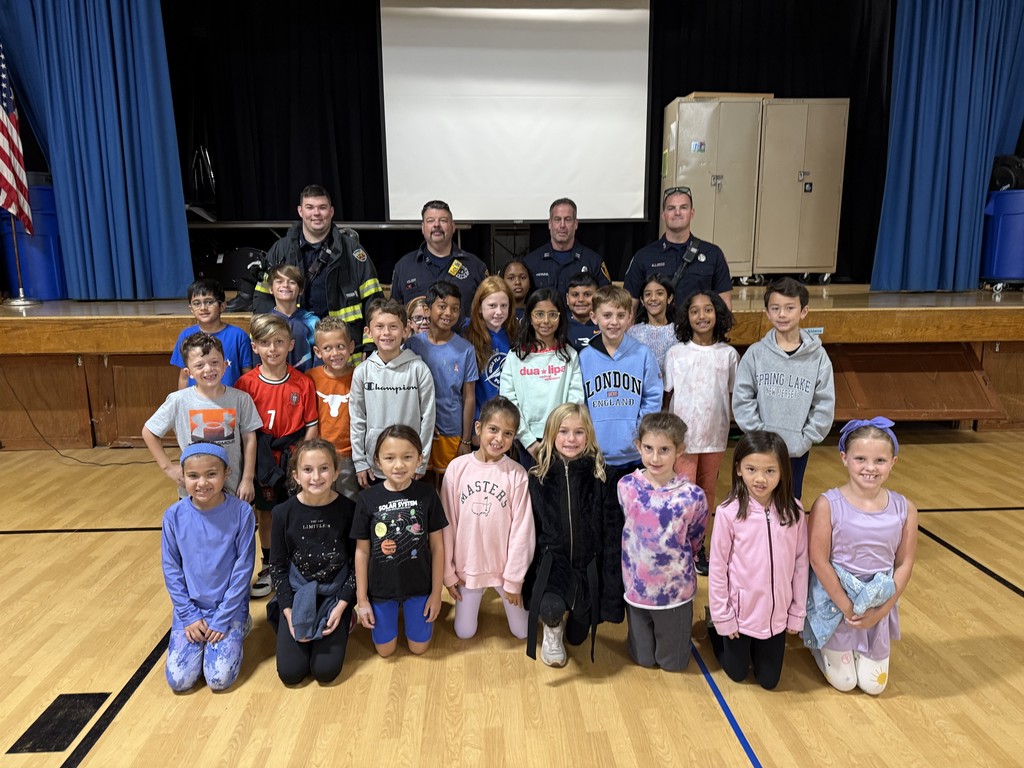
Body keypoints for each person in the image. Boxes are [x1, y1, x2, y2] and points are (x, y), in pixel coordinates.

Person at [804, 417, 918, 696]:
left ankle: (860, 646)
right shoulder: (827, 504)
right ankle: (818, 644)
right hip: (837, 604)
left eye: (880, 460)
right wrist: (847, 607)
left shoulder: (905, 508)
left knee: (874, 685)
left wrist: (880, 611)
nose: (870, 467)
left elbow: (904, 563)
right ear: (844, 458)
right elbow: (818, 560)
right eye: (860, 458)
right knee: (844, 683)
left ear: (894, 462)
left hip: (877, 606)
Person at [707, 431, 808, 690]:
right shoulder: (728, 513)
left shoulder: (794, 512)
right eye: (751, 469)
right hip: (739, 616)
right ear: (739, 469)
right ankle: (713, 627)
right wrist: (723, 617)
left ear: (783, 472)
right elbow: (718, 568)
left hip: (776, 617)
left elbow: (800, 564)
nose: (760, 479)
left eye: (770, 471)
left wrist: (796, 614)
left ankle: (755, 647)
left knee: (768, 681)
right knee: (737, 673)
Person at [524, 404, 624, 667]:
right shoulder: (537, 478)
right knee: (551, 609)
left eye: (579, 432)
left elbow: (614, 537)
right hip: (553, 566)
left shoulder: (605, 478)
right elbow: (529, 534)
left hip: (587, 568)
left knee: (578, 636)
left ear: (589, 436)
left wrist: (611, 590)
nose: (571, 439)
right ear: (551, 434)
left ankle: (576, 616)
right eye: (564, 431)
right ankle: (552, 629)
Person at [236, 314, 320, 598]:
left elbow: (311, 427)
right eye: (265, 343)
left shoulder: (303, 383)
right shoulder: (245, 384)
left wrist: (301, 463)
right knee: (267, 515)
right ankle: (270, 565)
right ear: (255, 346)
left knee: (296, 512)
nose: (272, 349)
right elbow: (244, 431)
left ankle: (296, 563)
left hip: (293, 459)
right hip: (262, 461)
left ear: (291, 345)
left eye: (279, 342)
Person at [252, 184, 383, 364]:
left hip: (340, 351)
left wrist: (370, 345)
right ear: (300, 211)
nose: (316, 213)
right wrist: (266, 338)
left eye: (322, 208)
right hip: (294, 351)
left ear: (331, 211)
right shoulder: (280, 250)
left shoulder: (352, 252)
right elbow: (263, 298)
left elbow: (374, 301)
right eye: (310, 207)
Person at [162, 443, 256, 692]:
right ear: (183, 477)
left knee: (218, 679)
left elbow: (243, 569)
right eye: (193, 476)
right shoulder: (173, 516)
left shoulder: (242, 513)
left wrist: (224, 617)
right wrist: (189, 616)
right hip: (191, 611)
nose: (202, 483)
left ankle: (241, 623)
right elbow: (171, 570)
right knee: (179, 681)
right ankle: (192, 633)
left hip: (228, 609)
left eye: (211, 474)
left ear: (227, 473)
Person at [440, 396, 535, 640]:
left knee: (523, 632)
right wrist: (449, 573)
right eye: (493, 429)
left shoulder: (517, 474)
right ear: (478, 428)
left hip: (504, 570)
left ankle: (501, 590)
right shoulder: (457, 469)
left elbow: (522, 532)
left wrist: (514, 579)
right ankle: (477, 592)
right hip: (468, 568)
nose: (499, 439)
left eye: (508, 433)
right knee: (464, 632)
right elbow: (447, 525)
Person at [618, 412, 707, 671]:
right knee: (643, 660)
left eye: (664, 450)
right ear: (638, 447)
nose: (655, 458)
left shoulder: (692, 496)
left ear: (680, 450)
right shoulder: (626, 486)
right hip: (637, 587)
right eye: (648, 448)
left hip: (674, 591)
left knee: (673, 664)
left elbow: (695, 537)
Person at [732, 277, 835, 500]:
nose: (782, 314)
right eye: (775, 308)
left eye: (790, 308)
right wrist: (759, 435)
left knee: (789, 503)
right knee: (756, 505)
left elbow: (824, 404)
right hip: (760, 448)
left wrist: (805, 439)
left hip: (796, 451)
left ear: (803, 311)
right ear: (767, 312)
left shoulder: (818, 357)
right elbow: (742, 398)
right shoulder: (756, 353)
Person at [267, 439, 356, 684]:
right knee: (291, 672)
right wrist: (288, 612)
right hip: (299, 595)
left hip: (335, 594)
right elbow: (277, 565)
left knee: (325, 671)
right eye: (308, 470)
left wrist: (342, 607)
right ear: (296, 475)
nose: (316, 477)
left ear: (336, 471)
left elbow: (356, 564)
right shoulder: (282, 513)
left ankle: (347, 620)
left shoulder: (349, 510)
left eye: (324, 468)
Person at [352, 426, 447, 656]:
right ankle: (391, 612)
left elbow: (437, 547)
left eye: (407, 457)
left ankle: (411, 613)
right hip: (381, 589)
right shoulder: (366, 499)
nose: (398, 465)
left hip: (419, 586)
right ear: (377, 461)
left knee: (419, 648)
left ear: (419, 458)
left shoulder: (427, 494)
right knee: (385, 651)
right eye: (389, 458)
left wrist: (436, 594)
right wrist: (362, 599)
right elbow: (362, 553)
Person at [663, 289, 739, 575]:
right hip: (683, 440)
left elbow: (733, 394)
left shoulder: (729, 355)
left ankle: (699, 547)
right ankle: (679, 546)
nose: (702, 315)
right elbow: (667, 397)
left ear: (718, 313)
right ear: (686, 316)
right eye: (695, 310)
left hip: (715, 435)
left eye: (708, 309)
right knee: (683, 492)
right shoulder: (676, 353)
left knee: (706, 493)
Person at [144, 332, 262, 504]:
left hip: (233, 488)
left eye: (214, 362)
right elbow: (149, 432)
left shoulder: (241, 399)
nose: (208, 369)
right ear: (189, 372)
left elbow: (249, 438)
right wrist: (168, 468)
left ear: (225, 365)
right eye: (199, 365)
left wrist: (248, 479)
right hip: (194, 492)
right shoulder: (178, 400)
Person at [579, 284, 662, 489]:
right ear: (594, 317)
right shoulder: (584, 357)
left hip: (633, 454)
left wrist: (638, 432)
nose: (614, 322)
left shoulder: (643, 354)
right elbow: (579, 402)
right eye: (607, 315)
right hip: (596, 453)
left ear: (630, 318)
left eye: (620, 315)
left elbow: (652, 397)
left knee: (633, 516)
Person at [350, 299, 436, 488]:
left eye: (393, 327)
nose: (386, 333)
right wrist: (360, 461)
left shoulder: (419, 370)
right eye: (379, 326)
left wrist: (421, 461)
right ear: (368, 332)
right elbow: (357, 419)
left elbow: (428, 418)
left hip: (409, 465)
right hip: (374, 466)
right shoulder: (362, 372)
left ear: (406, 331)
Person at [499, 288, 584, 467]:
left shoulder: (569, 355)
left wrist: (560, 437)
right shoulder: (516, 356)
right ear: (529, 318)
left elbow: (575, 400)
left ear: (560, 317)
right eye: (539, 314)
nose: (546, 321)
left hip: (562, 441)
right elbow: (508, 401)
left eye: (552, 314)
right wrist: (529, 442)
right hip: (527, 441)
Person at [404, 281, 479, 484]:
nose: (448, 313)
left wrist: (465, 438)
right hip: (418, 430)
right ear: (428, 310)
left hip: (452, 432)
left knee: (450, 487)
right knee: (421, 485)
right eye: (442, 306)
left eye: (455, 309)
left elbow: (469, 396)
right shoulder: (412, 345)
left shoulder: (466, 350)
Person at [623, 186, 732, 312]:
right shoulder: (643, 256)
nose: (677, 212)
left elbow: (725, 305)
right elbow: (630, 307)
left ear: (692, 213)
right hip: (655, 330)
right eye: (671, 208)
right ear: (663, 215)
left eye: (683, 207)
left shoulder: (713, 253)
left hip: (698, 330)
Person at [390, 200, 488, 319]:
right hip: (417, 338)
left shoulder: (475, 266)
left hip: (464, 337)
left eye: (443, 220)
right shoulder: (404, 267)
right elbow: (394, 314)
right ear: (423, 228)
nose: (436, 225)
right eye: (430, 221)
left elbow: (488, 312)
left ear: (453, 227)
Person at [307, 317, 359, 502]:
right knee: (320, 501)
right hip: (320, 454)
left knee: (349, 502)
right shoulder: (310, 378)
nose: (335, 353)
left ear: (351, 347)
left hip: (350, 455)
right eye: (327, 348)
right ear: (317, 352)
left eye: (340, 346)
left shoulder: (359, 375)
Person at [169, 278, 253, 389]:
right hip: (197, 404)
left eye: (209, 302)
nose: (203, 308)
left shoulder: (238, 335)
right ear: (191, 309)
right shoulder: (185, 336)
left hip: (230, 403)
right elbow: (184, 376)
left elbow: (247, 375)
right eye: (197, 303)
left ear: (222, 306)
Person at [523, 198, 611, 296]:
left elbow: (606, 300)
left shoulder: (593, 261)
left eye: (567, 220)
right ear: (550, 224)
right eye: (557, 219)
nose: (562, 225)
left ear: (576, 224)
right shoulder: (531, 262)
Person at [463, 276, 517, 423]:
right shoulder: (467, 337)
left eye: (504, 306)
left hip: (512, 419)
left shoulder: (516, 334)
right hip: (481, 420)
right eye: (492, 306)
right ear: (479, 307)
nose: (499, 312)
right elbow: (467, 391)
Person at [267, 264, 319, 372]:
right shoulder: (263, 324)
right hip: (272, 386)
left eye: (292, 282)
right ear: (270, 289)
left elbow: (319, 362)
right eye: (279, 281)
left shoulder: (313, 322)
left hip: (305, 384)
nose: (285, 285)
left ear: (301, 290)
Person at [626, 274, 676, 375]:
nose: (653, 298)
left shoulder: (678, 332)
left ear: (669, 298)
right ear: (642, 300)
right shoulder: (633, 333)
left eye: (660, 293)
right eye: (648, 294)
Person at [565, 272, 601, 351]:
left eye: (587, 294)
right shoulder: (560, 325)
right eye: (575, 295)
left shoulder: (605, 322)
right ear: (567, 299)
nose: (581, 299)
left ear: (598, 297)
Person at [499, 259, 532, 324]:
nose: (517, 282)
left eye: (522, 278)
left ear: (530, 283)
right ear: (502, 282)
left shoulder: (536, 312)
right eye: (511, 278)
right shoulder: (497, 312)